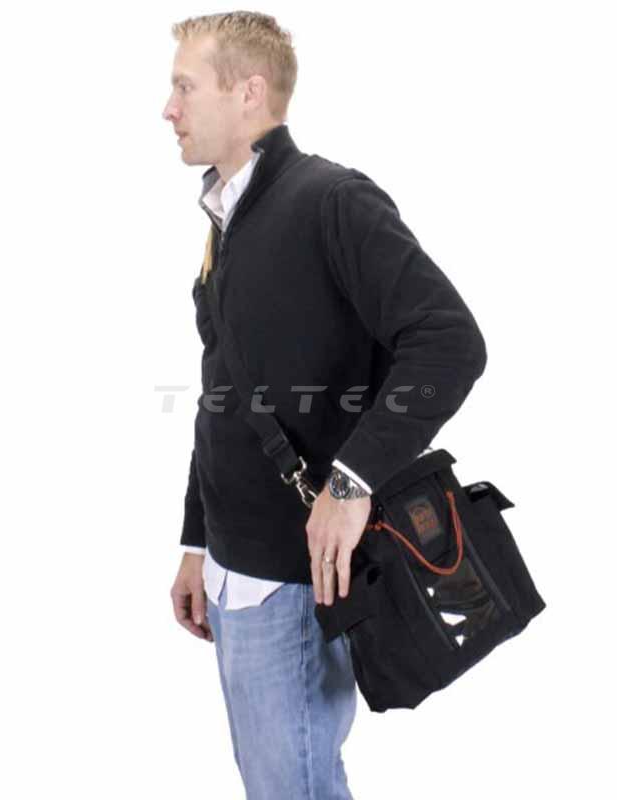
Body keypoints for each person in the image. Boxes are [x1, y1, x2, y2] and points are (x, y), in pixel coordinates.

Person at [163, 12, 487, 799]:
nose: (168, 109)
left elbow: (449, 343)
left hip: (297, 583)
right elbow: (222, 392)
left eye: (184, 88)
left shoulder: (331, 200)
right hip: (236, 577)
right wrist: (198, 541)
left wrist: (350, 483)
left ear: (249, 93)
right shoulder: (228, 219)